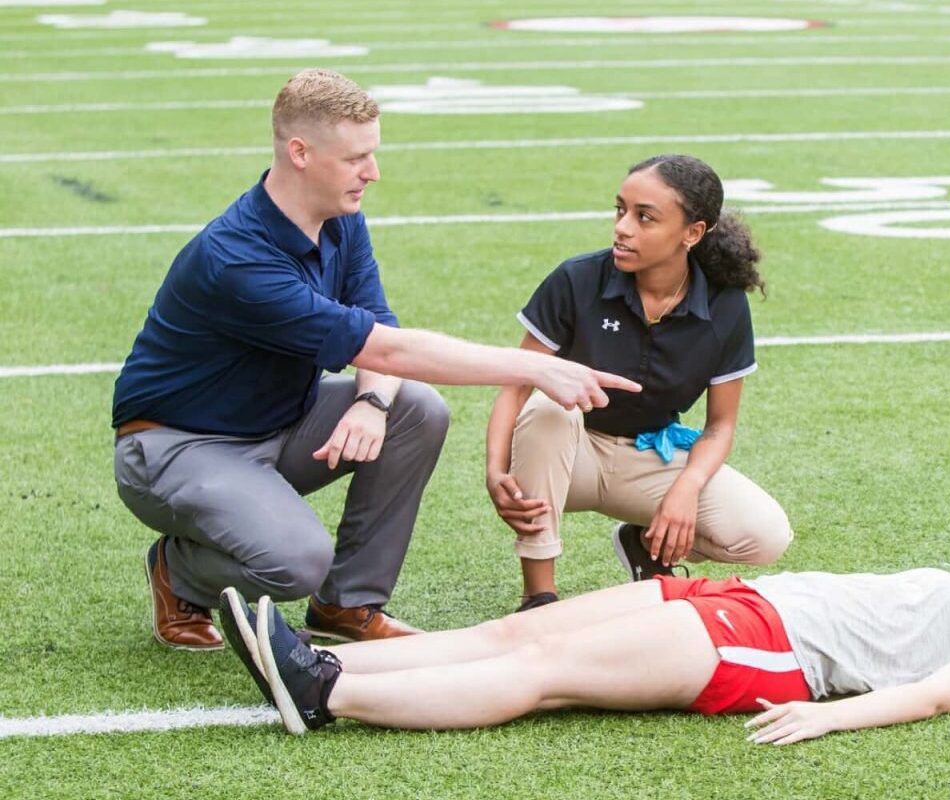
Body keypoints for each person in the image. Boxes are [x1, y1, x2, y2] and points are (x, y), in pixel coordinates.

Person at [111, 69, 639, 651]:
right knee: (295, 562)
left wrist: (369, 400)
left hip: (276, 423)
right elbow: (386, 347)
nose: (374, 172)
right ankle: (179, 572)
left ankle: (347, 605)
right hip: (176, 446)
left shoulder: (342, 220)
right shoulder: (237, 260)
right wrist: (536, 366)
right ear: (300, 152)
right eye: (357, 158)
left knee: (415, 408)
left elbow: (379, 327)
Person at [217, 558, 950, 738]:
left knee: (541, 677)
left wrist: (829, 721)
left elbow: (940, 695)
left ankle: (329, 695)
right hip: (739, 600)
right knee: (513, 632)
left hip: (766, 645)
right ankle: (302, 657)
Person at [484, 154, 791, 612]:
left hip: (648, 457)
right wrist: (494, 470)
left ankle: (645, 544)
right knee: (551, 408)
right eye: (620, 210)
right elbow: (517, 385)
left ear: (693, 233)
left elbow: (719, 426)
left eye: (644, 217)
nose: (622, 228)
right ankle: (539, 595)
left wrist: (685, 490)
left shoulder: (725, 306)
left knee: (764, 536)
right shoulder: (577, 279)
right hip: (567, 456)